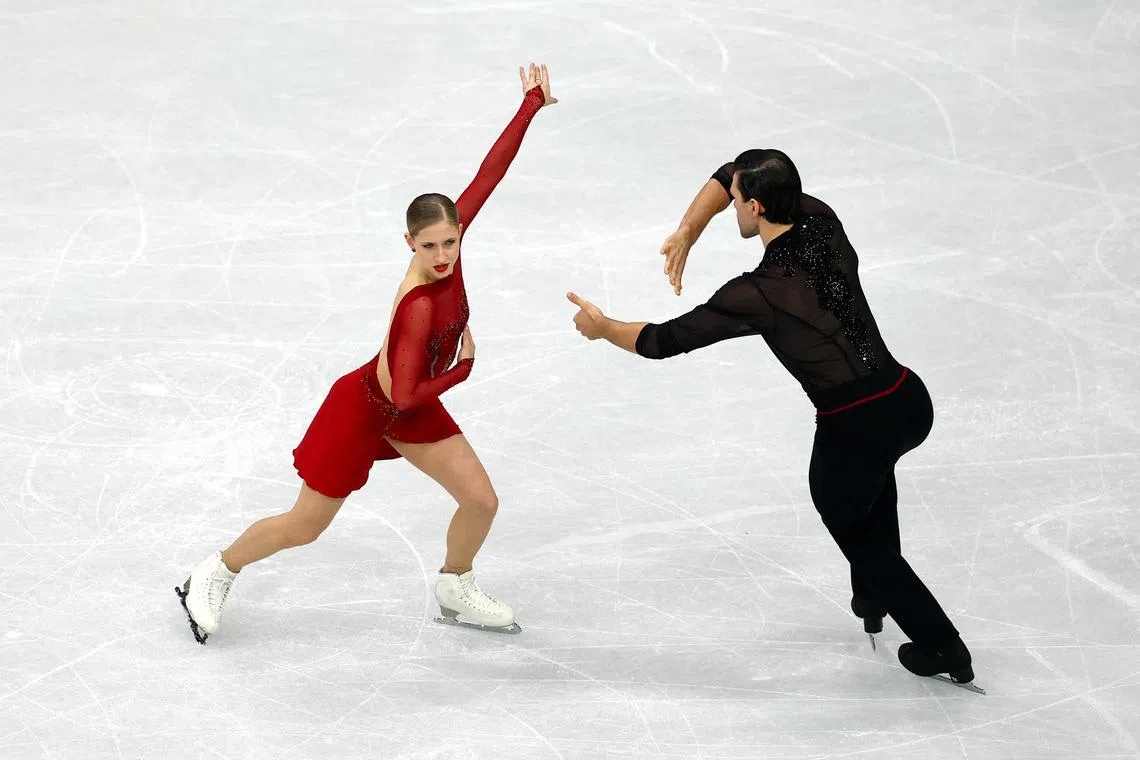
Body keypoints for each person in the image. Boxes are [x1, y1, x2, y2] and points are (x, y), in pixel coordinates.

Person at [566, 149, 978, 690]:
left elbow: (661, 341)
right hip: (905, 398)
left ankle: (941, 645)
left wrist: (603, 328)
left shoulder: (757, 293)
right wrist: (689, 230)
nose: (730, 206)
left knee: (855, 527)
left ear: (755, 206)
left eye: (736, 200)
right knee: (873, 487)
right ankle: (872, 599)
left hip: (853, 424)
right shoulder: (822, 220)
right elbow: (735, 168)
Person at [176, 64, 558, 643]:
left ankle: (455, 584)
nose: (443, 256)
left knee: (481, 500)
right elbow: (403, 396)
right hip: (367, 409)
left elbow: (489, 174)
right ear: (410, 243)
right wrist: (461, 370)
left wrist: (529, 106)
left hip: (410, 405)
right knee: (305, 526)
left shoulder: (451, 242)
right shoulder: (418, 306)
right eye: (429, 246)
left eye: (450, 241)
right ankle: (215, 571)